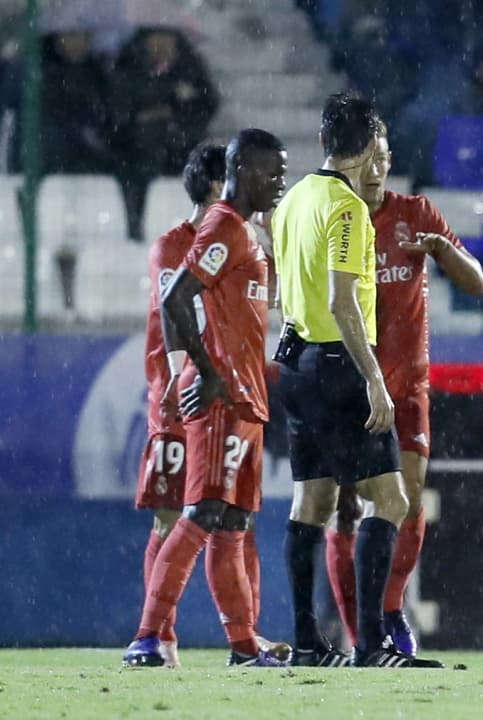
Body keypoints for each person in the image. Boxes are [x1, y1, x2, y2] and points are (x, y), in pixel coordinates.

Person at [273, 93, 439, 669]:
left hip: (293, 364)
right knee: (391, 500)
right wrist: (373, 378)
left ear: (323, 141)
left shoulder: (292, 201)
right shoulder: (347, 209)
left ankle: (305, 643)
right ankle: (371, 646)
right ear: (369, 148)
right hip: (338, 364)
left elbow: (284, 291)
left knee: (312, 501)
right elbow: (344, 303)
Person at [122, 129, 289, 668]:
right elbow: (176, 296)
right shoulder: (222, 225)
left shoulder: (244, 232)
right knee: (199, 513)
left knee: (234, 523)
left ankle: (243, 646)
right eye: (272, 172)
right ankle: (149, 636)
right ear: (242, 172)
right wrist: (208, 371)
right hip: (222, 400)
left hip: (248, 399)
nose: (280, 182)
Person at [324, 119, 483, 657]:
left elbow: (476, 281)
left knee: (408, 503)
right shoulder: (332, 217)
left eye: (384, 156)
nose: (377, 167)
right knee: (345, 509)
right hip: (346, 389)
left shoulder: (415, 215)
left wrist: (443, 249)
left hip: (406, 389)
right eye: (368, 156)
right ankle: (359, 634)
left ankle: (389, 610)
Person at [112, 28, 219, 242]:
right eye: (155, 41)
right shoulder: (129, 68)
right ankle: (136, 226)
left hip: (183, 145)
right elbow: (121, 112)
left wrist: (171, 114)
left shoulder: (191, 69)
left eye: (167, 40)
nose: (161, 46)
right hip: (139, 150)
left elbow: (207, 105)